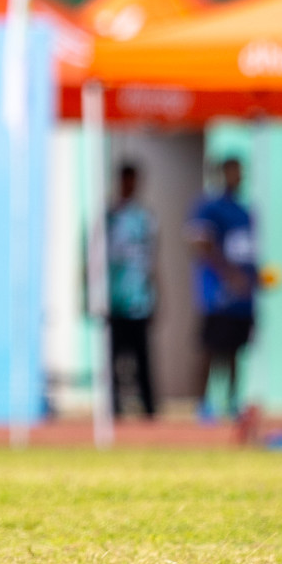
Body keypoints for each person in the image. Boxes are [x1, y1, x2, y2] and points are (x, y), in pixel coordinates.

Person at [186, 156, 259, 421]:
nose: (237, 177)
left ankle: (231, 402)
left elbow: (247, 251)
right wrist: (230, 274)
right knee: (210, 349)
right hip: (217, 295)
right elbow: (199, 243)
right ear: (222, 174)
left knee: (235, 351)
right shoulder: (208, 207)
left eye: (240, 172)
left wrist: (254, 277)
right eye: (233, 172)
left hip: (243, 299)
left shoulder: (245, 212)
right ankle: (203, 405)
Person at [105, 162, 157, 418]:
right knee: (114, 359)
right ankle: (114, 408)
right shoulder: (109, 217)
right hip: (114, 300)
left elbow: (153, 259)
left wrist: (156, 295)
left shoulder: (144, 218)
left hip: (139, 300)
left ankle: (148, 410)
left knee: (142, 360)